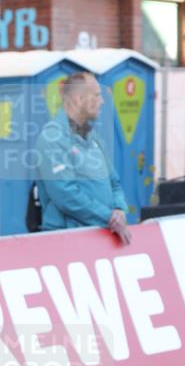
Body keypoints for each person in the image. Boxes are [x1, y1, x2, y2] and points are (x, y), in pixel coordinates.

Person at [35, 72, 131, 244]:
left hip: (102, 236)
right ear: (79, 99)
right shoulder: (52, 138)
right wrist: (109, 217)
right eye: (97, 95)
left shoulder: (94, 139)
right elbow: (65, 195)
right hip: (68, 241)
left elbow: (114, 183)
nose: (102, 101)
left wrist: (119, 209)